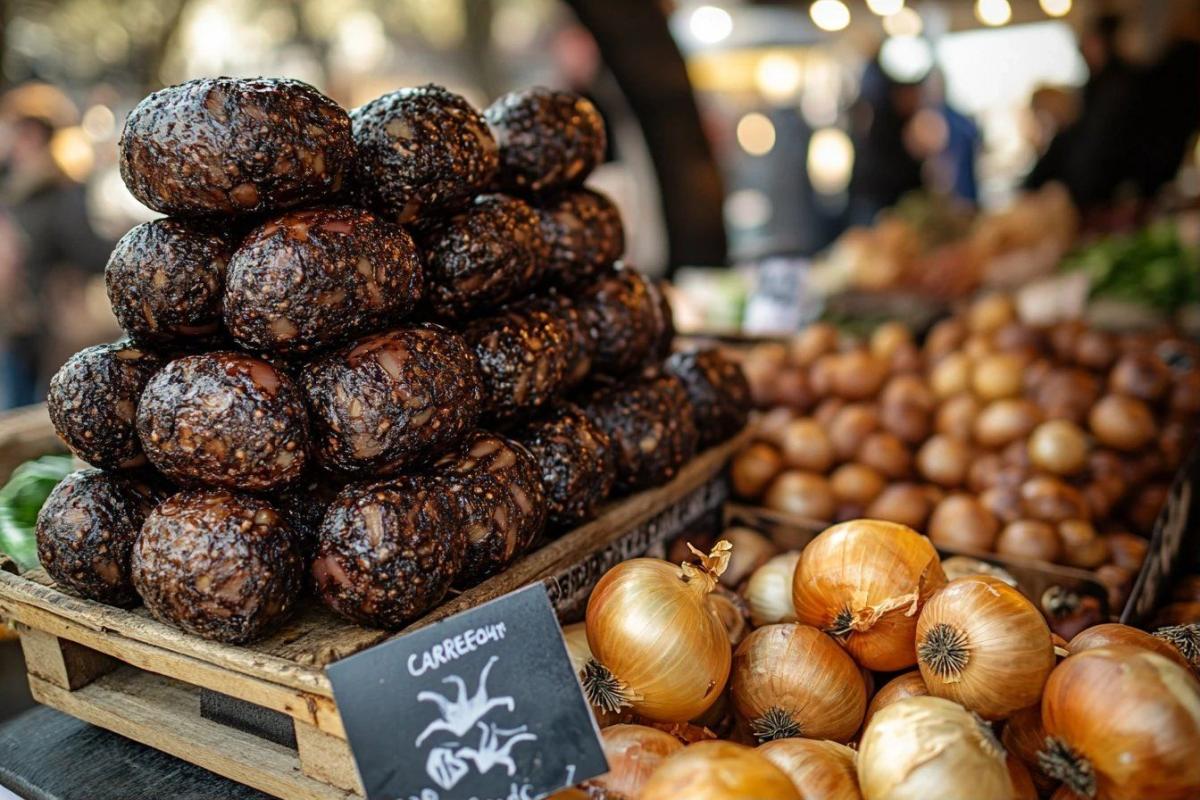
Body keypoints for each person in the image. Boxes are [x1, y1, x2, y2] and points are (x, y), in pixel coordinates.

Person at [0, 83, 111, 409]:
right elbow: (91, 252)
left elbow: (86, 252)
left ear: (31, 134)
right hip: (28, 326)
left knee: (29, 415)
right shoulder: (35, 188)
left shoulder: (46, 190)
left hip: (40, 329)